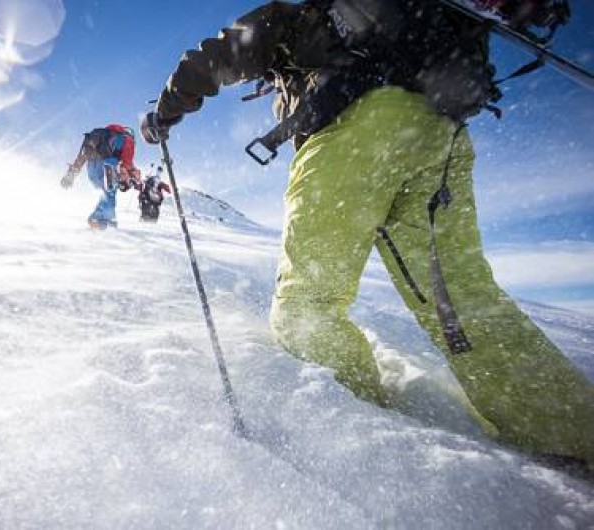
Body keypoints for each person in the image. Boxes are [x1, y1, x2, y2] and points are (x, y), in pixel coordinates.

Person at [141, 0, 594, 467]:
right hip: (440, 133)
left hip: (358, 133)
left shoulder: (305, 18)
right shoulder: (412, 20)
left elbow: (225, 51)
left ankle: (361, 446)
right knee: (460, 298)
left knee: (308, 304)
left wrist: (166, 110)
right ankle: (569, 432)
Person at [62, 124, 141, 229]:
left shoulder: (99, 138)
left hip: (92, 167)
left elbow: (82, 156)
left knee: (105, 194)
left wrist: (71, 174)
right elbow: (127, 163)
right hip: (108, 165)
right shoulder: (127, 139)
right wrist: (132, 176)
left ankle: (106, 221)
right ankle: (98, 219)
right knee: (110, 193)